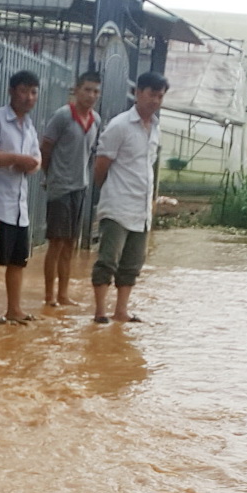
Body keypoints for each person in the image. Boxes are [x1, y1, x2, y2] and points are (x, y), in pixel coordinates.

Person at [91, 71, 167, 324]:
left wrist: (151, 202)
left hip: (141, 207)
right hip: (118, 204)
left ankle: (121, 310)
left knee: (133, 263)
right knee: (108, 259)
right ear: (138, 93)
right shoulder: (120, 125)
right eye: (151, 94)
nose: (155, 101)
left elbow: (149, 168)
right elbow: (101, 165)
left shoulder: (155, 128)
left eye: (160, 96)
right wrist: (108, 191)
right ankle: (100, 311)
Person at [0, 70, 41, 324]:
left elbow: (36, 161)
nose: (28, 97)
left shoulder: (30, 127)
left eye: (33, 92)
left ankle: (14, 309)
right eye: (24, 91)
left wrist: (31, 165)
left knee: (17, 262)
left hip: (20, 206)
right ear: (12, 91)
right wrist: (14, 159)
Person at [39, 71, 102, 307]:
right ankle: (49, 296)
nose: (91, 95)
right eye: (87, 89)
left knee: (71, 243)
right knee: (56, 242)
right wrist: (50, 176)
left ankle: (63, 295)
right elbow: (45, 148)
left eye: (96, 91)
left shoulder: (95, 120)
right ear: (76, 90)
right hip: (60, 187)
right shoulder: (63, 116)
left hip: (80, 186)